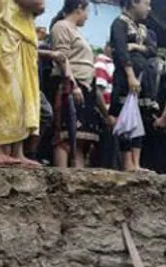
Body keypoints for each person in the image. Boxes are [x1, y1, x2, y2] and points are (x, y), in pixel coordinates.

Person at [0, 0, 44, 166]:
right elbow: (37, 4)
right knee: (7, 97)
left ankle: (18, 152)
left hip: (20, 35)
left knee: (24, 98)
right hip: (5, 36)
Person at [49, 0, 106, 168]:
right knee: (65, 136)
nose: (87, 17)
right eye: (87, 12)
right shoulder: (61, 27)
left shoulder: (77, 32)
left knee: (81, 139)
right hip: (70, 85)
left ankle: (79, 180)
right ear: (79, 8)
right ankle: (62, 176)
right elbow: (62, 58)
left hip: (85, 86)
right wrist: (72, 84)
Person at [110, 0, 157, 172]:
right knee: (126, 115)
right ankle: (127, 161)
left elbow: (153, 50)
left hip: (143, 77)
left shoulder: (143, 28)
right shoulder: (119, 23)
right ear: (134, 3)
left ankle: (136, 162)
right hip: (126, 77)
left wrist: (137, 47)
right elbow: (122, 51)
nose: (149, 8)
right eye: (146, 3)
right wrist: (130, 75)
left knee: (141, 116)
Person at [95, 43, 116, 109]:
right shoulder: (101, 63)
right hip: (107, 108)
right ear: (106, 47)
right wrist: (107, 115)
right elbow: (98, 92)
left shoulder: (112, 63)